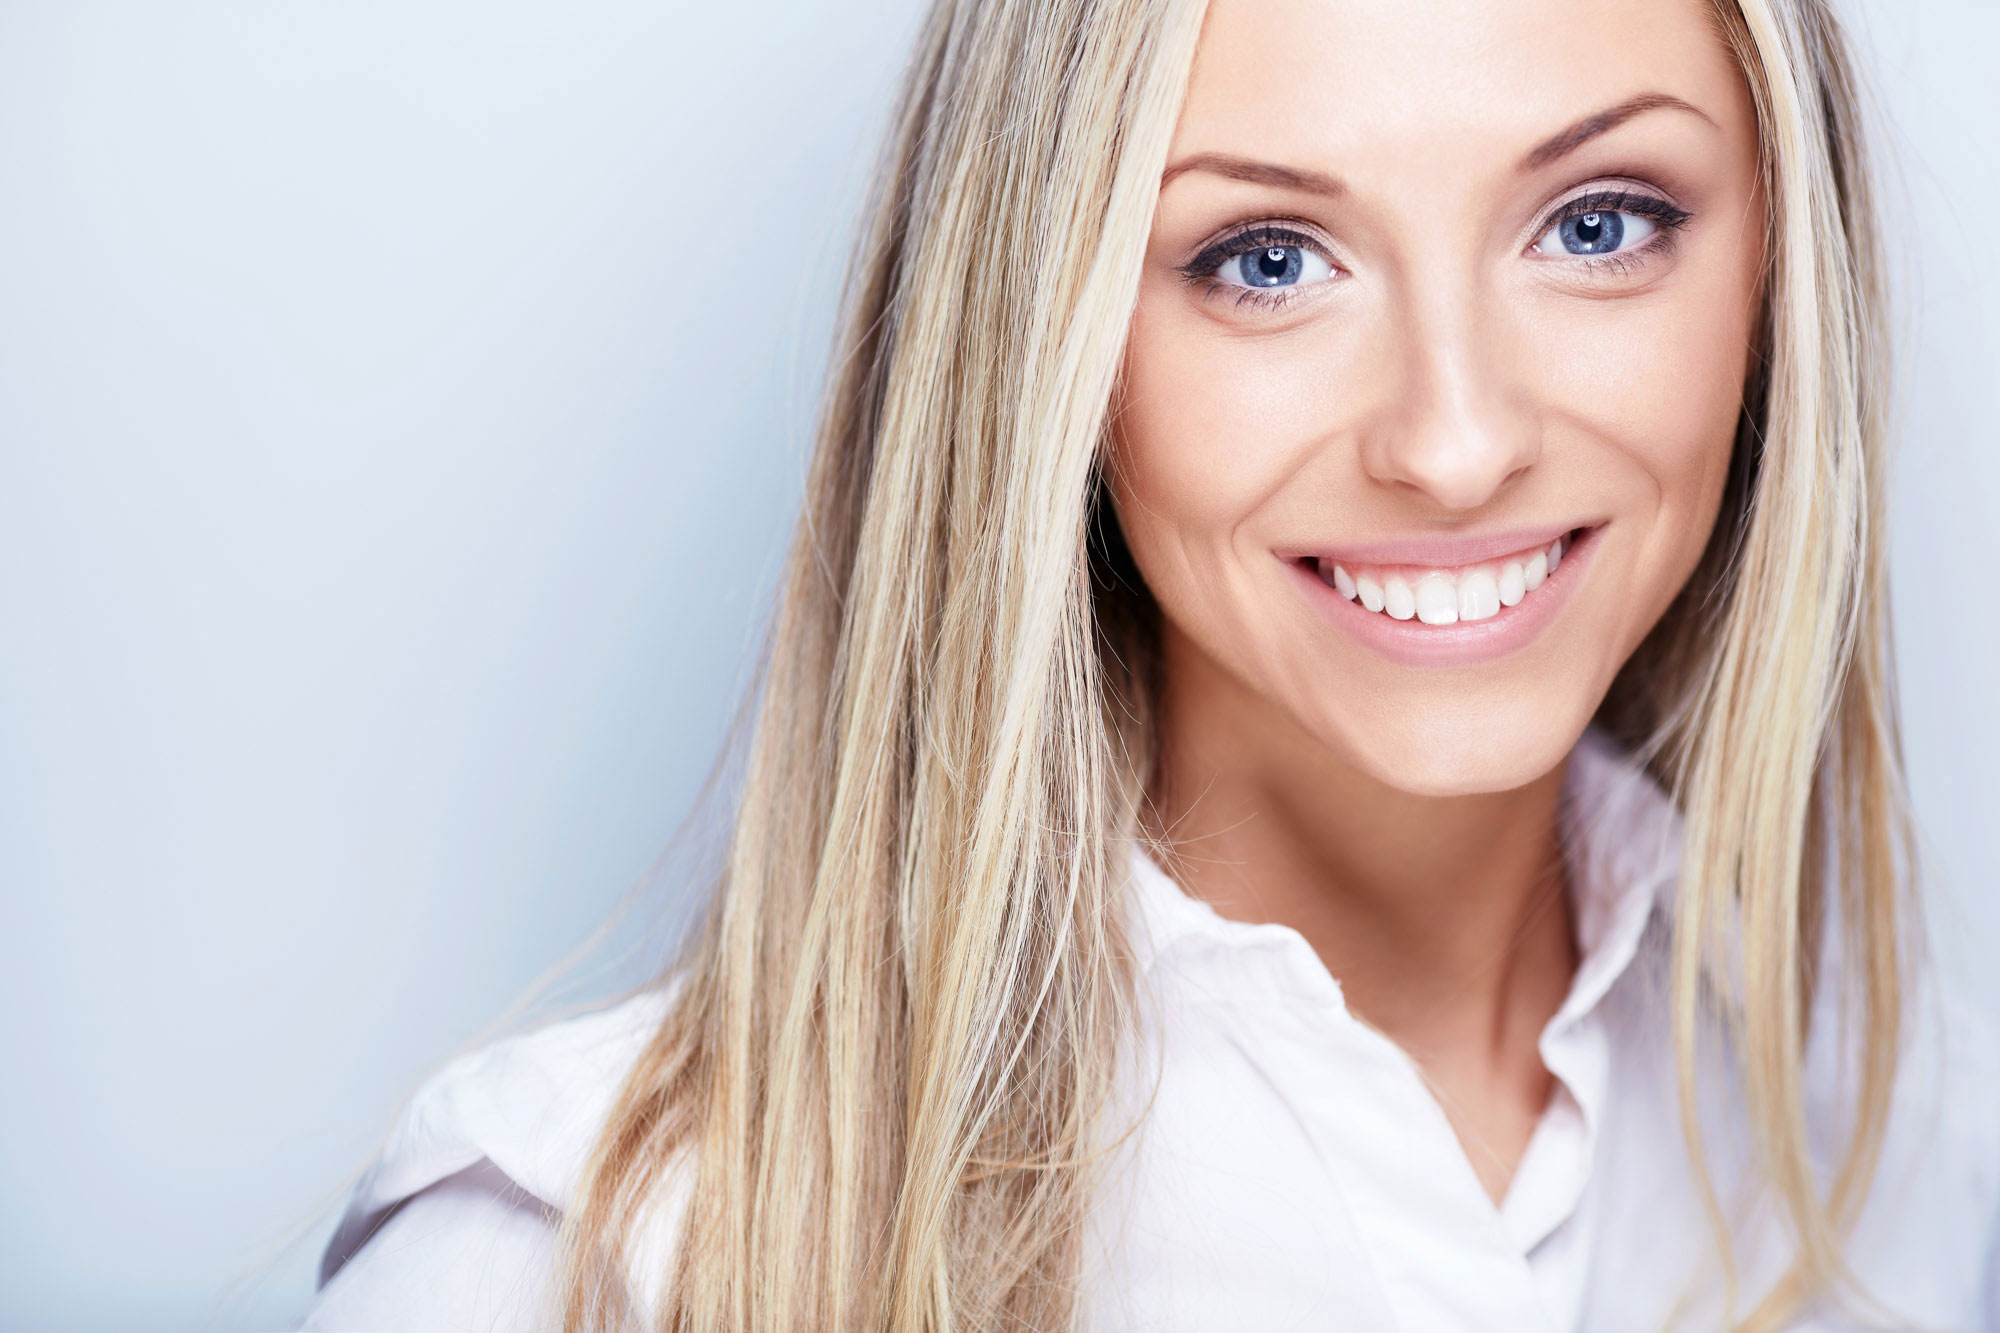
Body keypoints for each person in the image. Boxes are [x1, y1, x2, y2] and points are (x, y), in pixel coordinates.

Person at [298, 0, 2000, 1328]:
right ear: (1047, 348)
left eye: (1600, 223)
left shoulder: (1892, 1118)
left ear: (1782, 267)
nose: (1459, 438)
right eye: (1264, 260)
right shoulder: (584, 1261)